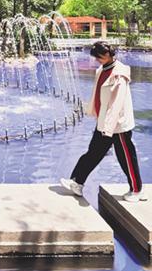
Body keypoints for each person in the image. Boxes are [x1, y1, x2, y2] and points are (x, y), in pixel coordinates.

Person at [60, 41, 146, 202]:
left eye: (99, 57)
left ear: (107, 55)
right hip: (104, 122)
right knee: (93, 153)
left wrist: (108, 127)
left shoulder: (119, 74)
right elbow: (98, 95)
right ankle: (77, 182)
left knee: (126, 158)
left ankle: (136, 190)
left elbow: (117, 104)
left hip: (118, 125)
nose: (97, 60)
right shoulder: (102, 69)